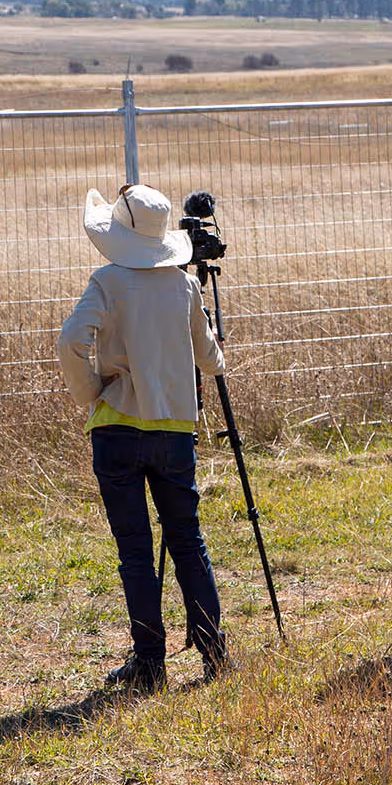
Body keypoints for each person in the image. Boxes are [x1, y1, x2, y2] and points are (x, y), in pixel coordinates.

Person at [58, 183, 230, 691]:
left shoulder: (108, 281)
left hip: (116, 428)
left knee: (134, 548)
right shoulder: (183, 286)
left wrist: (92, 392)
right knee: (187, 539)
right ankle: (214, 653)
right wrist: (210, 357)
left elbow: (71, 342)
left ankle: (150, 662)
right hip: (175, 430)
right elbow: (210, 358)